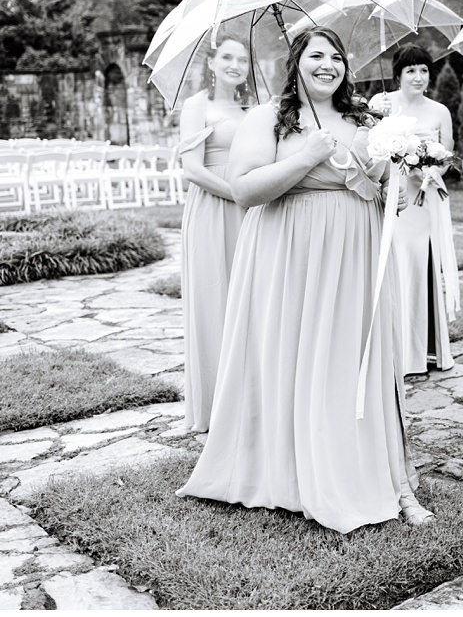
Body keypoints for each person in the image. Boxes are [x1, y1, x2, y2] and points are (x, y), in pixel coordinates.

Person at [178, 27, 433, 531]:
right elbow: (245, 189)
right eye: (316, 55)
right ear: (296, 63)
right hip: (290, 251)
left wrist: (390, 194)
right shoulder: (267, 117)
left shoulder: (363, 117)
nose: (328, 65)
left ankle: (379, 472)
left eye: (336, 56)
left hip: (355, 251)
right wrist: (308, 155)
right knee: (301, 354)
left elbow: (373, 180)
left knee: (355, 357)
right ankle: (293, 469)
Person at [369, 44, 458, 376]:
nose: (418, 77)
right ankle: (393, 350)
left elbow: (447, 159)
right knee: (396, 263)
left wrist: (431, 170)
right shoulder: (384, 104)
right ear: (398, 74)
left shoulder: (439, 111)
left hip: (425, 199)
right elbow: (373, 146)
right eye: (410, 70)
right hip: (395, 197)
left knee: (421, 264)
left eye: (423, 70)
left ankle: (424, 351)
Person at [177, 37, 250, 433]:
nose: (235, 64)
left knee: (245, 300)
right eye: (227, 57)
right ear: (211, 62)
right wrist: (238, 193)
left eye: (242, 59)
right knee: (213, 297)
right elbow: (192, 170)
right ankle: (213, 406)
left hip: (250, 212)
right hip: (211, 207)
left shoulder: (250, 109)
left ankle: (245, 398)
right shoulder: (196, 106)